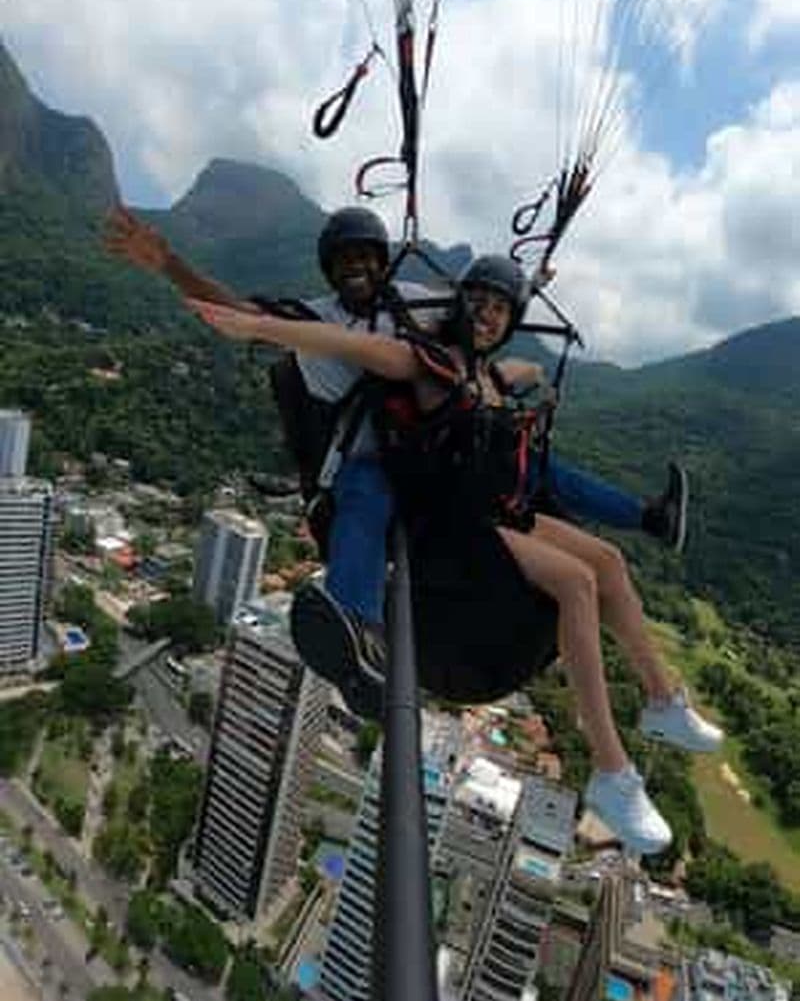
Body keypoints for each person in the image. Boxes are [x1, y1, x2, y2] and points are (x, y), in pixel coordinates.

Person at [185, 263, 721, 855]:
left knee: (609, 563)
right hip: (442, 525)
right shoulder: (430, 361)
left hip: (486, 510)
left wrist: (529, 347)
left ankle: (661, 701)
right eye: (480, 304)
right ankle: (611, 772)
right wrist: (258, 327)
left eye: (501, 310)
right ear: (458, 307)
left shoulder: (485, 374)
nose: (488, 316)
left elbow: (508, 378)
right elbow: (350, 344)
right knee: (575, 583)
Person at [103, 205, 689, 719]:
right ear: (329, 270)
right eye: (343, 261)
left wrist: (525, 292)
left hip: (442, 447)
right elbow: (237, 312)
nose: (355, 268)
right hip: (372, 456)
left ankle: (648, 517)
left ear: (384, 262)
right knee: (365, 498)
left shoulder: (413, 299)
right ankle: (358, 631)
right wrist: (167, 262)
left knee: (534, 466)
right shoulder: (318, 317)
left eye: (365, 257)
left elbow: (479, 315)